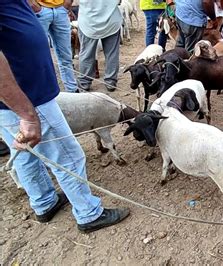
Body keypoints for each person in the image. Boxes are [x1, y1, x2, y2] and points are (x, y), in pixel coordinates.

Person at [0, 0, 129, 233]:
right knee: (68, 156)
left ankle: (44, 203)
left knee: (24, 154)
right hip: (28, 98)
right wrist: (27, 114)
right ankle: (89, 213)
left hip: (12, 101)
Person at [28, 0, 78, 93]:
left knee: (66, 56)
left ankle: (72, 90)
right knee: (37, 56)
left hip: (60, 9)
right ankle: (42, 93)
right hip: (40, 10)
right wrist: (33, 5)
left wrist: (67, 4)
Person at [77, 0, 122, 92]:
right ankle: (111, 81)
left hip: (88, 21)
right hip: (111, 20)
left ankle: (84, 82)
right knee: (112, 54)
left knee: (86, 54)